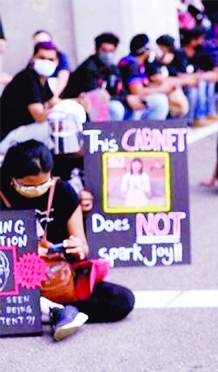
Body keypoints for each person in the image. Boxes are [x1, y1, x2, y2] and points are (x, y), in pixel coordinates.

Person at [0, 140, 136, 327]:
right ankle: (56, 311)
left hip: (55, 278)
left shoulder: (63, 192)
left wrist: (77, 247)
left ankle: (47, 312)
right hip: (10, 280)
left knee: (121, 299)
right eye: (28, 186)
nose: (36, 190)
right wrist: (24, 252)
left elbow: (82, 246)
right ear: (11, 177)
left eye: (43, 185)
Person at [0, 42, 62, 141]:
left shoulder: (42, 80)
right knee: (53, 126)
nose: (46, 62)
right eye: (42, 58)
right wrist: (63, 111)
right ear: (33, 58)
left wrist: (78, 103)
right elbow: (39, 116)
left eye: (51, 59)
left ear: (57, 62)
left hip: (20, 132)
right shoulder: (27, 79)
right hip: (8, 136)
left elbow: (54, 101)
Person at [62, 32, 127, 121]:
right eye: (104, 50)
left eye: (111, 51)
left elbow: (120, 92)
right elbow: (95, 96)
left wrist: (121, 98)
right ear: (97, 50)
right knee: (116, 108)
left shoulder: (112, 69)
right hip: (82, 106)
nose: (108, 54)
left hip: (104, 103)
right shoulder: (88, 68)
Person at [117, 34, 171, 120]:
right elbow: (137, 92)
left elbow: (156, 79)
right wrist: (162, 89)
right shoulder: (131, 64)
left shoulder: (145, 64)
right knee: (160, 101)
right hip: (126, 100)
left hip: (133, 99)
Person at [32, 30, 71, 99]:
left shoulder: (60, 56)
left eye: (51, 59)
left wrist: (54, 95)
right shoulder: (34, 60)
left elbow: (63, 76)